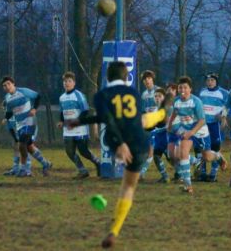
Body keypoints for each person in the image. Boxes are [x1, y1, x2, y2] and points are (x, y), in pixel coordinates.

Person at [68, 62, 152, 248]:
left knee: (126, 184)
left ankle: (114, 231)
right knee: (129, 187)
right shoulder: (135, 94)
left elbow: (106, 117)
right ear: (125, 77)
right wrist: (81, 121)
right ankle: (114, 230)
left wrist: (121, 144)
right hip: (140, 144)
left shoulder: (102, 95)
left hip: (120, 141)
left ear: (107, 77)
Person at [168, 76, 227, 194]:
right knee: (182, 154)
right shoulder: (176, 101)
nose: (182, 90)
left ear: (190, 89)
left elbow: (202, 121)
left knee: (207, 157)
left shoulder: (196, 101)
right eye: (180, 87)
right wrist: (170, 124)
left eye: (185, 87)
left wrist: (192, 132)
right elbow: (174, 113)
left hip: (200, 131)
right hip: (187, 130)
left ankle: (218, 156)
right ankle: (188, 186)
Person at [1, 76, 52, 177]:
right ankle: (46, 163)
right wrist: (6, 118)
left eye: (8, 84)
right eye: (4, 85)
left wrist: (34, 109)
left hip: (29, 122)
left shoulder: (23, 91)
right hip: (20, 125)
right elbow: (9, 112)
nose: (7, 86)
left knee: (21, 144)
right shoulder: (7, 98)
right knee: (29, 147)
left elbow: (37, 96)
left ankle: (24, 170)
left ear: (13, 84)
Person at [57, 72, 100, 178]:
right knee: (69, 152)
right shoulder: (62, 98)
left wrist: (76, 122)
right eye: (65, 81)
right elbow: (62, 112)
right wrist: (61, 121)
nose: (67, 83)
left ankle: (98, 163)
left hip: (80, 129)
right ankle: (82, 170)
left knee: (84, 151)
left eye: (69, 81)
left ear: (74, 83)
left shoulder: (79, 95)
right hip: (68, 130)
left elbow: (85, 111)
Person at [198, 73, 229, 182]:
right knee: (202, 148)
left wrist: (223, 116)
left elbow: (228, 105)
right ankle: (202, 173)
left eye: (212, 80)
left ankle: (213, 174)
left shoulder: (224, 93)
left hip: (215, 124)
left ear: (216, 81)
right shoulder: (202, 92)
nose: (210, 82)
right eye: (208, 80)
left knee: (215, 148)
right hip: (203, 124)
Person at [139, 70, 167, 181]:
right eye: (145, 79)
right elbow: (143, 110)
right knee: (152, 152)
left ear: (152, 79)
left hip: (161, 125)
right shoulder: (144, 94)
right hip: (150, 125)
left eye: (149, 78)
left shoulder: (159, 91)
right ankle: (164, 176)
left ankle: (194, 162)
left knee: (168, 154)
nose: (147, 80)